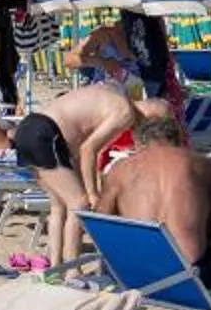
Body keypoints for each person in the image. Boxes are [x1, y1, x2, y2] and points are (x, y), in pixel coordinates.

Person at [11, 81, 156, 265]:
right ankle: (72, 269)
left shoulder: (113, 93)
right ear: (149, 120)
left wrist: (90, 185)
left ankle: (55, 267)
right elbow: (89, 149)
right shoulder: (124, 112)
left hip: (29, 128)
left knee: (58, 206)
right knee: (79, 203)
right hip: (46, 133)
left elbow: (81, 151)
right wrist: (93, 194)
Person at [96, 113, 211, 275]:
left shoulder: (120, 169)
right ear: (178, 140)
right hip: (189, 272)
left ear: (137, 143)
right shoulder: (201, 164)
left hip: (134, 271)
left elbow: (100, 222)